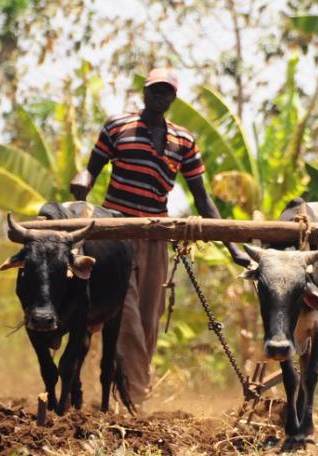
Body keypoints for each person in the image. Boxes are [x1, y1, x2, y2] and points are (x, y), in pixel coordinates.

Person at [69, 68, 250, 405]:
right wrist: (81, 181)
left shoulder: (183, 141)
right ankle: (136, 396)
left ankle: (127, 394)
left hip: (155, 236)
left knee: (149, 320)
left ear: (173, 98)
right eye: (154, 90)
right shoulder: (117, 126)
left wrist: (233, 246)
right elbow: (90, 169)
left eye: (165, 92)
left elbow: (202, 198)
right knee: (126, 317)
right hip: (115, 232)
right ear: (144, 92)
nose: (158, 96)